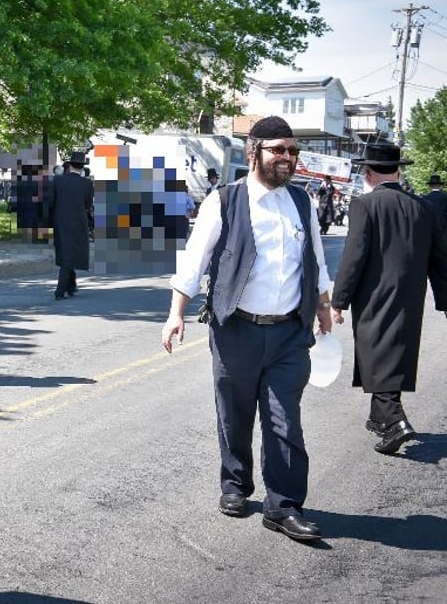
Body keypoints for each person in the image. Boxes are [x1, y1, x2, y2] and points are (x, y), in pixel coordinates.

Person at [161, 115, 333, 542]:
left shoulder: (303, 202)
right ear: (254, 152)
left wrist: (325, 306)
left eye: (292, 150)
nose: (288, 158)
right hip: (235, 329)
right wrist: (175, 312)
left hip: (289, 334)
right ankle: (235, 484)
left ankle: (284, 506)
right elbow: (194, 259)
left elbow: (315, 259)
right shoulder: (225, 201)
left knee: (284, 421)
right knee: (235, 415)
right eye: (279, 150)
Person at [330, 142, 447, 455]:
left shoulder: (364, 205)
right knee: (393, 355)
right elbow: (440, 258)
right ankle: (379, 418)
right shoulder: (421, 206)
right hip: (410, 295)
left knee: (376, 355)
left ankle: (394, 421)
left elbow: (353, 258)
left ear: (368, 173)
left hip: (374, 294)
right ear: (399, 169)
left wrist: (338, 300)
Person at [45, 151, 94, 300]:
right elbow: (88, 204)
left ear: (70, 165)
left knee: (65, 252)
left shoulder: (58, 181)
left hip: (60, 221)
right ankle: (60, 291)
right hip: (78, 222)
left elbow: (50, 202)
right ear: (82, 167)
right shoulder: (87, 183)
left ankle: (71, 286)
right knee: (70, 254)